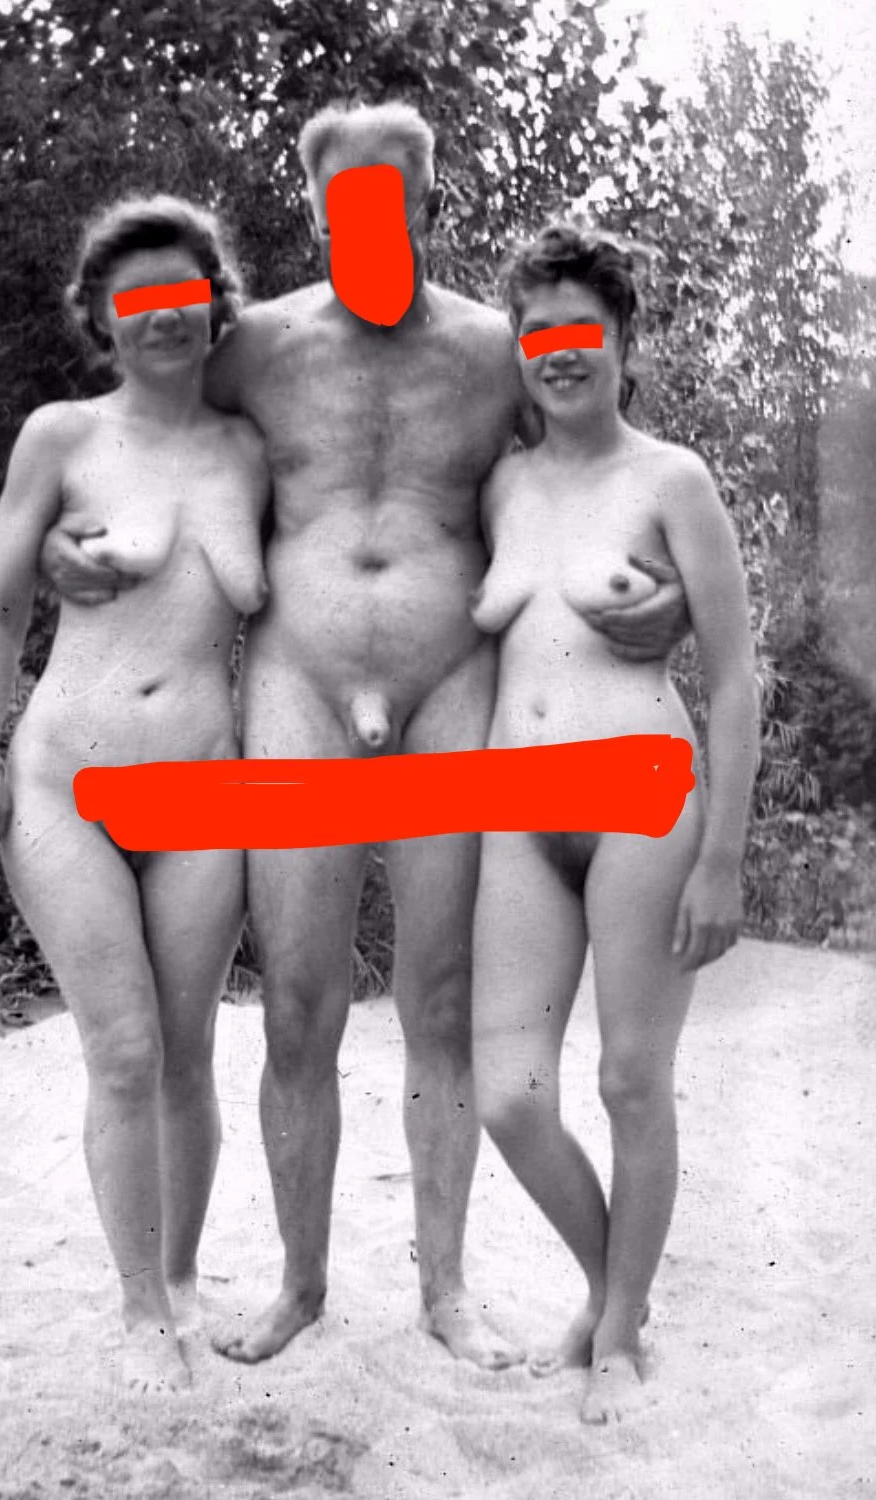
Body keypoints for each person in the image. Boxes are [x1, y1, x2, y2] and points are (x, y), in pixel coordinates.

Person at [42, 102, 691, 1369]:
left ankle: (445, 1288)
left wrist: (665, 596)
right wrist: (70, 538)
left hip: (454, 689)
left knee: (439, 1000)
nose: (369, 224)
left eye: (392, 200)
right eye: (345, 204)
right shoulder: (258, 348)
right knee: (298, 1004)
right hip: (300, 687)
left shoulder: (499, 349)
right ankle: (300, 1283)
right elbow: (140, 427)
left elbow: (606, 463)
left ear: (429, 205)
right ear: (315, 212)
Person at [0, 194, 269, 1392]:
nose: (162, 315)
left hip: (205, 790)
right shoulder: (61, 436)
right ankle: (140, 1313)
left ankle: (180, 1283)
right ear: (100, 317)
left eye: (183, 291)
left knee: (189, 1052)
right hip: (65, 783)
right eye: (135, 299)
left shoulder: (251, 448)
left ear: (214, 302)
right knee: (125, 1050)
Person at [470, 224, 760, 1423]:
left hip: (646, 799)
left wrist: (722, 860)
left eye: (582, 329)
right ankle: (607, 1288)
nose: (560, 350)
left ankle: (623, 1332)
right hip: (516, 809)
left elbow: (736, 676)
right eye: (536, 331)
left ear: (624, 341)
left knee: (634, 1080)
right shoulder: (501, 483)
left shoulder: (671, 480)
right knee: (509, 1095)